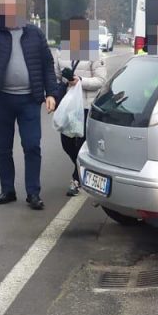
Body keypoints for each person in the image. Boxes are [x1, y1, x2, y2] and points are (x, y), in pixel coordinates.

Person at [0, 0, 60, 210]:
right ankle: (7, 190)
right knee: (3, 148)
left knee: (32, 146)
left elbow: (47, 64)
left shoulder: (35, 34)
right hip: (0, 99)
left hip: (29, 100)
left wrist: (52, 93)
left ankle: (33, 193)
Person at [53, 18, 108, 196]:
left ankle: (77, 178)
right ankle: (82, 169)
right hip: (68, 106)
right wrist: (64, 82)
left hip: (86, 105)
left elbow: (101, 80)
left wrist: (80, 81)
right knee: (67, 143)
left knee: (82, 143)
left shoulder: (95, 53)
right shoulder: (61, 54)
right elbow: (56, 77)